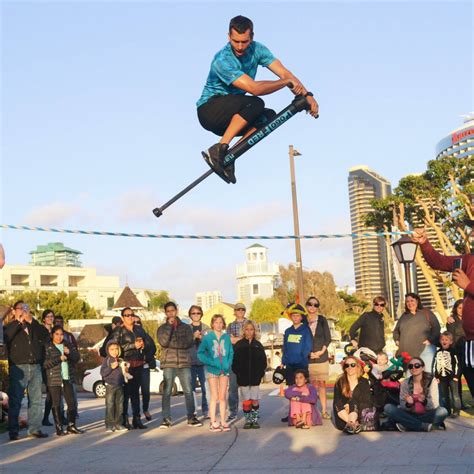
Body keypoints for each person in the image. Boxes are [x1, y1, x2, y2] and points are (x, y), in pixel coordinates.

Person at [197, 15, 318, 184]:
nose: (240, 47)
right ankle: (219, 149)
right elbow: (255, 89)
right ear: (228, 37)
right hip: (210, 110)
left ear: (252, 37)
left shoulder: (258, 50)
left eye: (244, 42)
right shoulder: (222, 60)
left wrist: (307, 96)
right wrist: (285, 83)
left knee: (268, 118)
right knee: (255, 102)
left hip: (233, 116)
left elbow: (284, 73)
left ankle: (229, 156)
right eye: (235, 41)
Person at [412, 223, 474, 391]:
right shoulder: (469, 260)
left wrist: (468, 286)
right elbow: (438, 262)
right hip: (470, 341)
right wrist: (424, 243)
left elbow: (468, 285)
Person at [4, 301, 49, 441]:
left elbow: (45, 335)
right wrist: (18, 323)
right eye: (21, 308)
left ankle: (34, 429)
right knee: (16, 400)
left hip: (35, 366)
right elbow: (6, 337)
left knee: (35, 400)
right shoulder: (9, 326)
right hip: (19, 367)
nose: (24, 311)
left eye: (26, 308)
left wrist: (32, 320)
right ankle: (13, 431)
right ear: (14, 311)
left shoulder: (33, 326)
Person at [157, 302, 202, 429]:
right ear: (166, 313)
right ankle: (166, 418)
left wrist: (174, 344)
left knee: (188, 390)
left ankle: (191, 417)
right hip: (168, 363)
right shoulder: (162, 328)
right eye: (168, 311)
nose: (171, 313)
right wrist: (170, 327)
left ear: (176, 311)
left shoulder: (186, 327)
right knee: (167, 391)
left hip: (184, 362)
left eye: (173, 310)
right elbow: (164, 342)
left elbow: (187, 343)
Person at [384, 357, 449, 432]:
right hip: (409, 414)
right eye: (410, 366)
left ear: (423, 368)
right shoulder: (405, 383)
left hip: (427, 414)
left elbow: (435, 405)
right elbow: (402, 405)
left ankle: (407, 425)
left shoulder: (431, 381)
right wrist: (409, 404)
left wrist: (424, 401)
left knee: (442, 411)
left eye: (417, 365)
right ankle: (423, 426)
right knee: (388, 407)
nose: (414, 368)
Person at [112, 307, 149, 429]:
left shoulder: (139, 329)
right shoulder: (119, 331)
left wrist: (143, 346)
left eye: (132, 315)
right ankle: (124, 419)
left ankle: (137, 419)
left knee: (135, 394)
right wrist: (133, 345)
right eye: (127, 315)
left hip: (138, 364)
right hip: (126, 366)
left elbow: (148, 343)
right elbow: (116, 348)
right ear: (122, 317)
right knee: (125, 394)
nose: (130, 317)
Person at [44, 325, 83, 436]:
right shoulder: (48, 347)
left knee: (71, 403)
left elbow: (77, 358)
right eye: (56, 334)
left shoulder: (68, 344)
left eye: (61, 334)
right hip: (54, 378)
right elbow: (45, 364)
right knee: (56, 403)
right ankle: (59, 427)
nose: (59, 337)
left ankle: (71, 426)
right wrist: (59, 359)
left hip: (67, 378)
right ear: (52, 335)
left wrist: (69, 353)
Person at [198, 314, 233, 432]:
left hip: (224, 370)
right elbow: (200, 353)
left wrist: (228, 363)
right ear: (212, 324)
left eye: (220, 322)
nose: (218, 324)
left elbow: (231, 352)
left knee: (223, 397)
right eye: (216, 322)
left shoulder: (226, 337)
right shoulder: (207, 338)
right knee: (214, 396)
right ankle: (213, 422)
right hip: (212, 370)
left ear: (223, 324)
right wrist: (210, 362)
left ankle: (223, 420)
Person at [232, 321, 267, 429]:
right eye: (247, 329)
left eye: (251, 329)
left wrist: (260, 374)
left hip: (255, 378)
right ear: (243, 331)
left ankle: (255, 420)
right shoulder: (239, 345)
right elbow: (234, 361)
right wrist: (238, 373)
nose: (249, 331)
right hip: (243, 378)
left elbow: (263, 361)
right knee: (246, 401)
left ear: (254, 331)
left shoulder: (258, 345)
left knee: (255, 400)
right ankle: (248, 420)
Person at [227, 302, 258, 423]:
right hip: (234, 359)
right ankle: (233, 412)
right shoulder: (230, 325)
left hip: (249, 359)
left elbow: (254, 338)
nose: (240, 311)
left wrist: (237, 339)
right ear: (234, 312)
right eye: (238, 309)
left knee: (249, 388)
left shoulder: (251, 323)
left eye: (242, 309)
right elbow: (228, 340)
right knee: (233, 387)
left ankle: (250, 412)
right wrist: (243, 339)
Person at [392, 293, 440, 368]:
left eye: (412, 300)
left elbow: (436, 328)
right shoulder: (404, 316)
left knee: (427, 374)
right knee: (410, 376)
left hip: (425, 350)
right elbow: (396, 331)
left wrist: (429, 340)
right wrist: (397, 340)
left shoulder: (426, 313)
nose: (410, 303)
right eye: (407, 301)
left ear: (417, 301)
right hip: (407, 353)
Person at [333, 356, 376, 434]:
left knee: (354, 403)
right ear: (344, 367)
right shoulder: (340, 381)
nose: (349, 367)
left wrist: (350, 405)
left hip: (359, 413)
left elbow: (366, 401)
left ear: (358, 367)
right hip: (343, 416)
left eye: (352, 365)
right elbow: (337, 399)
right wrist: (346, 406)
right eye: (347, 365)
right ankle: (352, 424)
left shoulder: (363, 381)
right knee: (337, 403)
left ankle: (350, 424)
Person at [305, 296, 332, 420]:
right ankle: (312, 410)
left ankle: (324, 410)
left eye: (315, 305)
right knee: (312, 385)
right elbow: (302, 339)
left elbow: (328, 338)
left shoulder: (322, 320)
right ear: (307, 305)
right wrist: (309, 353)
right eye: (310, 304)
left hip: (321, 357)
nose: (312, 307)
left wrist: (321, 352)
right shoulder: (303, 320)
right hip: (308, 357)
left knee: (322, 384)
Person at [447, 299, 472, 405]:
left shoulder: (470, 319)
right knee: (456, 380)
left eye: (464, 308)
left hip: (469, 353)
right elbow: (450, 338)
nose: (462, 310)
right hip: (457, 354)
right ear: (456, 309)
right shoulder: (452, 321)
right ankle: (459, 403)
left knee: (471, 378)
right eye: (459, 308)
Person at [100, 341, 128, 433]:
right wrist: (111, 367)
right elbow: (103, 373)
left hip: (120, 385)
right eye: (112, 349)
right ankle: (109, 425)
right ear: (108, 350)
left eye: (116, 349)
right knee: (110, 405)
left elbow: (123, 372)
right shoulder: (107, 360)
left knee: (120, 405)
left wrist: (126, 369)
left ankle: (118, 424)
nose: (114, 351)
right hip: (110, 385)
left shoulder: (120, 359)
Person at [281, 303, 312, 386]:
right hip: (289, 365)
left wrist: (301, 357)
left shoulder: (306, 330)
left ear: (301, 317)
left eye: (297, 315)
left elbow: (308, 346)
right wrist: (283, 361)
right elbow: (285, 348)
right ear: (291, 317)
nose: (295, 317)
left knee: (302, 388)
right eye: (293, 315)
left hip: (302, 364)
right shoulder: (288, 331)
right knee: (291, 389)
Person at [188, 305, 210, 419]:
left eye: (198, 313)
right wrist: (192, 337)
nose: (196, 315)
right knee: (191, 389)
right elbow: (183, 344)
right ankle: (193, 411)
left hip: (203, 362)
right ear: (190, 315)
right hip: (190, 362)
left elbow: (211, 345)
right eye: (193, 313)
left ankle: (206, 409)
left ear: (201, 314)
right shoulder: (186, 328)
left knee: (205, 388)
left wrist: (202, 339)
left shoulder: (206, 328)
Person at [433, 331, 461, 417]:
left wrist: (457, 375)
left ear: (451, 342)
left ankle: (456, 411)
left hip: (452, 377)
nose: (444, 341)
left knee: (455, 395)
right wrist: (436, 376)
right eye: (442, 340)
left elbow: (458, 363)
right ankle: (447, 411)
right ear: (440, 341)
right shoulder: (437, 352)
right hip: (441, 378)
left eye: (446, 340)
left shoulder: (453, 351)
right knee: (444, 395)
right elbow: (435, 364)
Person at [39, 309, 54, 427]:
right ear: (44, 318)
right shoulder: (40, 330)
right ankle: (35, 419)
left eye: (52, 316)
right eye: (48, 316)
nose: (50, 318)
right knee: (36, 393)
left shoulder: (54, 331)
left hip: (52, 364)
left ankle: (46, 418)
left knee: (51, 392)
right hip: (41, 363)